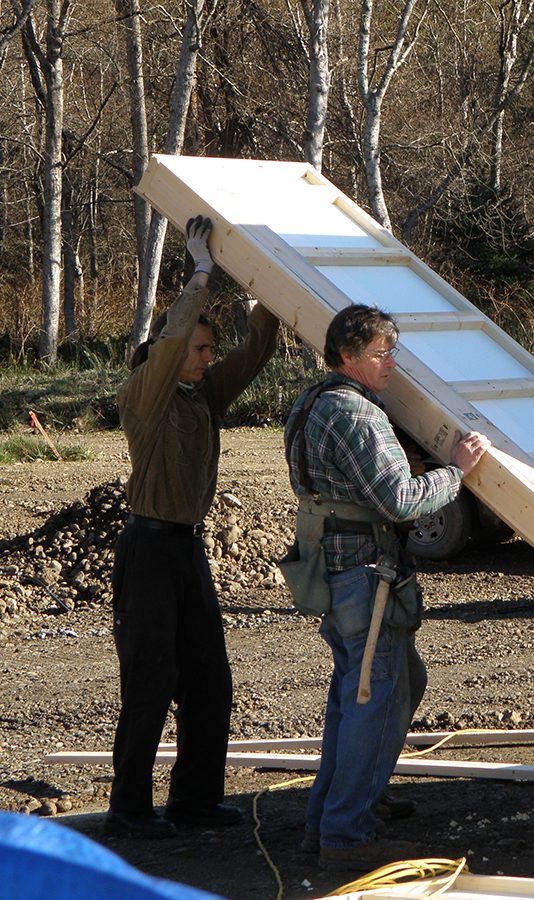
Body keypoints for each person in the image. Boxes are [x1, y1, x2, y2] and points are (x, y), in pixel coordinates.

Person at [285, 304, 490, 872]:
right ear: (347, 356)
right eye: (381, 354)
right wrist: (456, 472)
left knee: (363, 692)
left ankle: (330, 818)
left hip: (337, 573)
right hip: (365, 578)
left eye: (393, 351)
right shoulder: (354, 413)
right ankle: (347, 835)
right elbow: (400, 501)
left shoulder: (310, 404)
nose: (391, 364)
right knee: (376, 697)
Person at [106, 215, 280, 839]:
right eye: (201, 349)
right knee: (151, 684)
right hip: (147, 552)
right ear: (172, 352)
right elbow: (177, 329)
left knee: (210, 681)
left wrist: (267, 294)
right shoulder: (145, 393)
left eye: (209, 351)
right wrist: (200, 270)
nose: (210, 358)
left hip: (187, 551)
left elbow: (254, 353)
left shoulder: (200, 394)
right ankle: (128, 811)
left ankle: (195, 801)